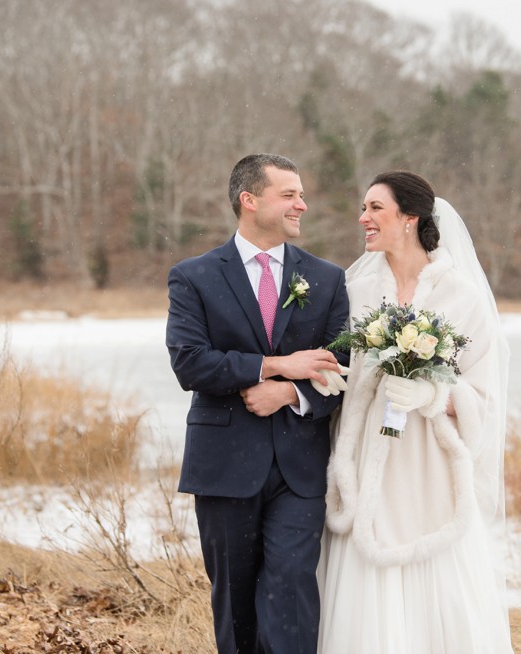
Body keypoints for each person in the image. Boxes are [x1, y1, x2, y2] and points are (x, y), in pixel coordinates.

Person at [319, 171, 512, 653]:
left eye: (374, 208)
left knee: (435, 574)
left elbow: (482, 397)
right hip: (365, 457)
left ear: (409, 218)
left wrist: (431, 396)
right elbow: (337, 361)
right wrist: (329, 377)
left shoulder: (461, 298)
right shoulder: (353, 291)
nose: (362, 218)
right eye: (362, 208)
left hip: (428, 465)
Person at [166, 153, 350, 654]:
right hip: (225, 464)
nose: (302, 205)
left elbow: (341, 367)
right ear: (249, 200)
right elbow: (190, 363)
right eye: (289, 194)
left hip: (299, 469)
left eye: (301, 195)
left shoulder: (328, 279)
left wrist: (290, 391)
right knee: (235, 598)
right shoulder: (194, 276)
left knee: (292, 587)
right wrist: (273, 365)